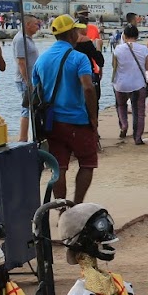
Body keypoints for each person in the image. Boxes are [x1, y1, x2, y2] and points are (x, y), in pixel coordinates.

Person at [33, 15, 99, 202]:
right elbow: (87, 87)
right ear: (71, 33)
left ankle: (61, 207)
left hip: (53, 123)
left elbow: (35, 92)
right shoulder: (79, 58)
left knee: (59, 167)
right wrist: (93, 117)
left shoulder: (41, 59)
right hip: (78, 120)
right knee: (87, 163)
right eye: (76, 30)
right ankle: (77, 205)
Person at [111, 24, 148, 145]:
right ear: (137, 36)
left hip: (120, 84)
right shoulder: (144, 49)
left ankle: (124, 125)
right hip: (138, 84)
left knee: (121, 106)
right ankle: (138, 138)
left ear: (124, 35)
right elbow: (147, 67)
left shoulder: (117, 49)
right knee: (139, 112)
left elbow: (114, 66)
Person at [12, 14, 41, 142]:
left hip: (32, 79)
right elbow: (21, 62)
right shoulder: (20, 40)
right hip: (25, 80)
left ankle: (31, 135)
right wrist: (27, 80)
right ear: (28, 25)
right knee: (26, 108)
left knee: (33, 108)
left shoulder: (28, 39)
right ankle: (23, 138)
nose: (38, 27)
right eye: (36, 24)